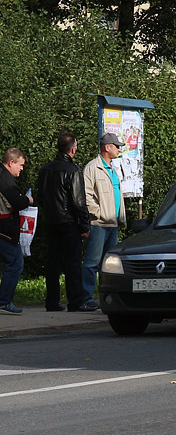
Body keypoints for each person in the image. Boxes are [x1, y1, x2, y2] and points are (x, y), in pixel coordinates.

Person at [37, 133, 95, 312]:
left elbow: (41, 197)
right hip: (68, 222)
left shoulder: (45, 170)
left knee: (53, 262)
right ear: (73, 149)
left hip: (50, 221)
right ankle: (76, 301)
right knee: (72, 262)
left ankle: (52, 301)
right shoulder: (73, 170)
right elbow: (78, 201)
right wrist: (84, 226)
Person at [82, 133, 125, 301]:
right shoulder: (92, 167)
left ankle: (107, 296)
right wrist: (98, 213)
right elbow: (86, 195)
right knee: (92, 262)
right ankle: (86, 298)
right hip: (99, 224)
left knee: (109, 265)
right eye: (117, 146)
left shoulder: (113, 168)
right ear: (107, 147)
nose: (119, 149)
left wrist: (119, 217)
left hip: (112, 224)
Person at [0, 148, 32, 315]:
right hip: (4, 231)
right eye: (20, 165)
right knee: (16, 263)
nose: (22, 168)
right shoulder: (6, 180)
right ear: (11, 162)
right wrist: (28, 199)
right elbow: (17, 202)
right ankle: (4, 302)